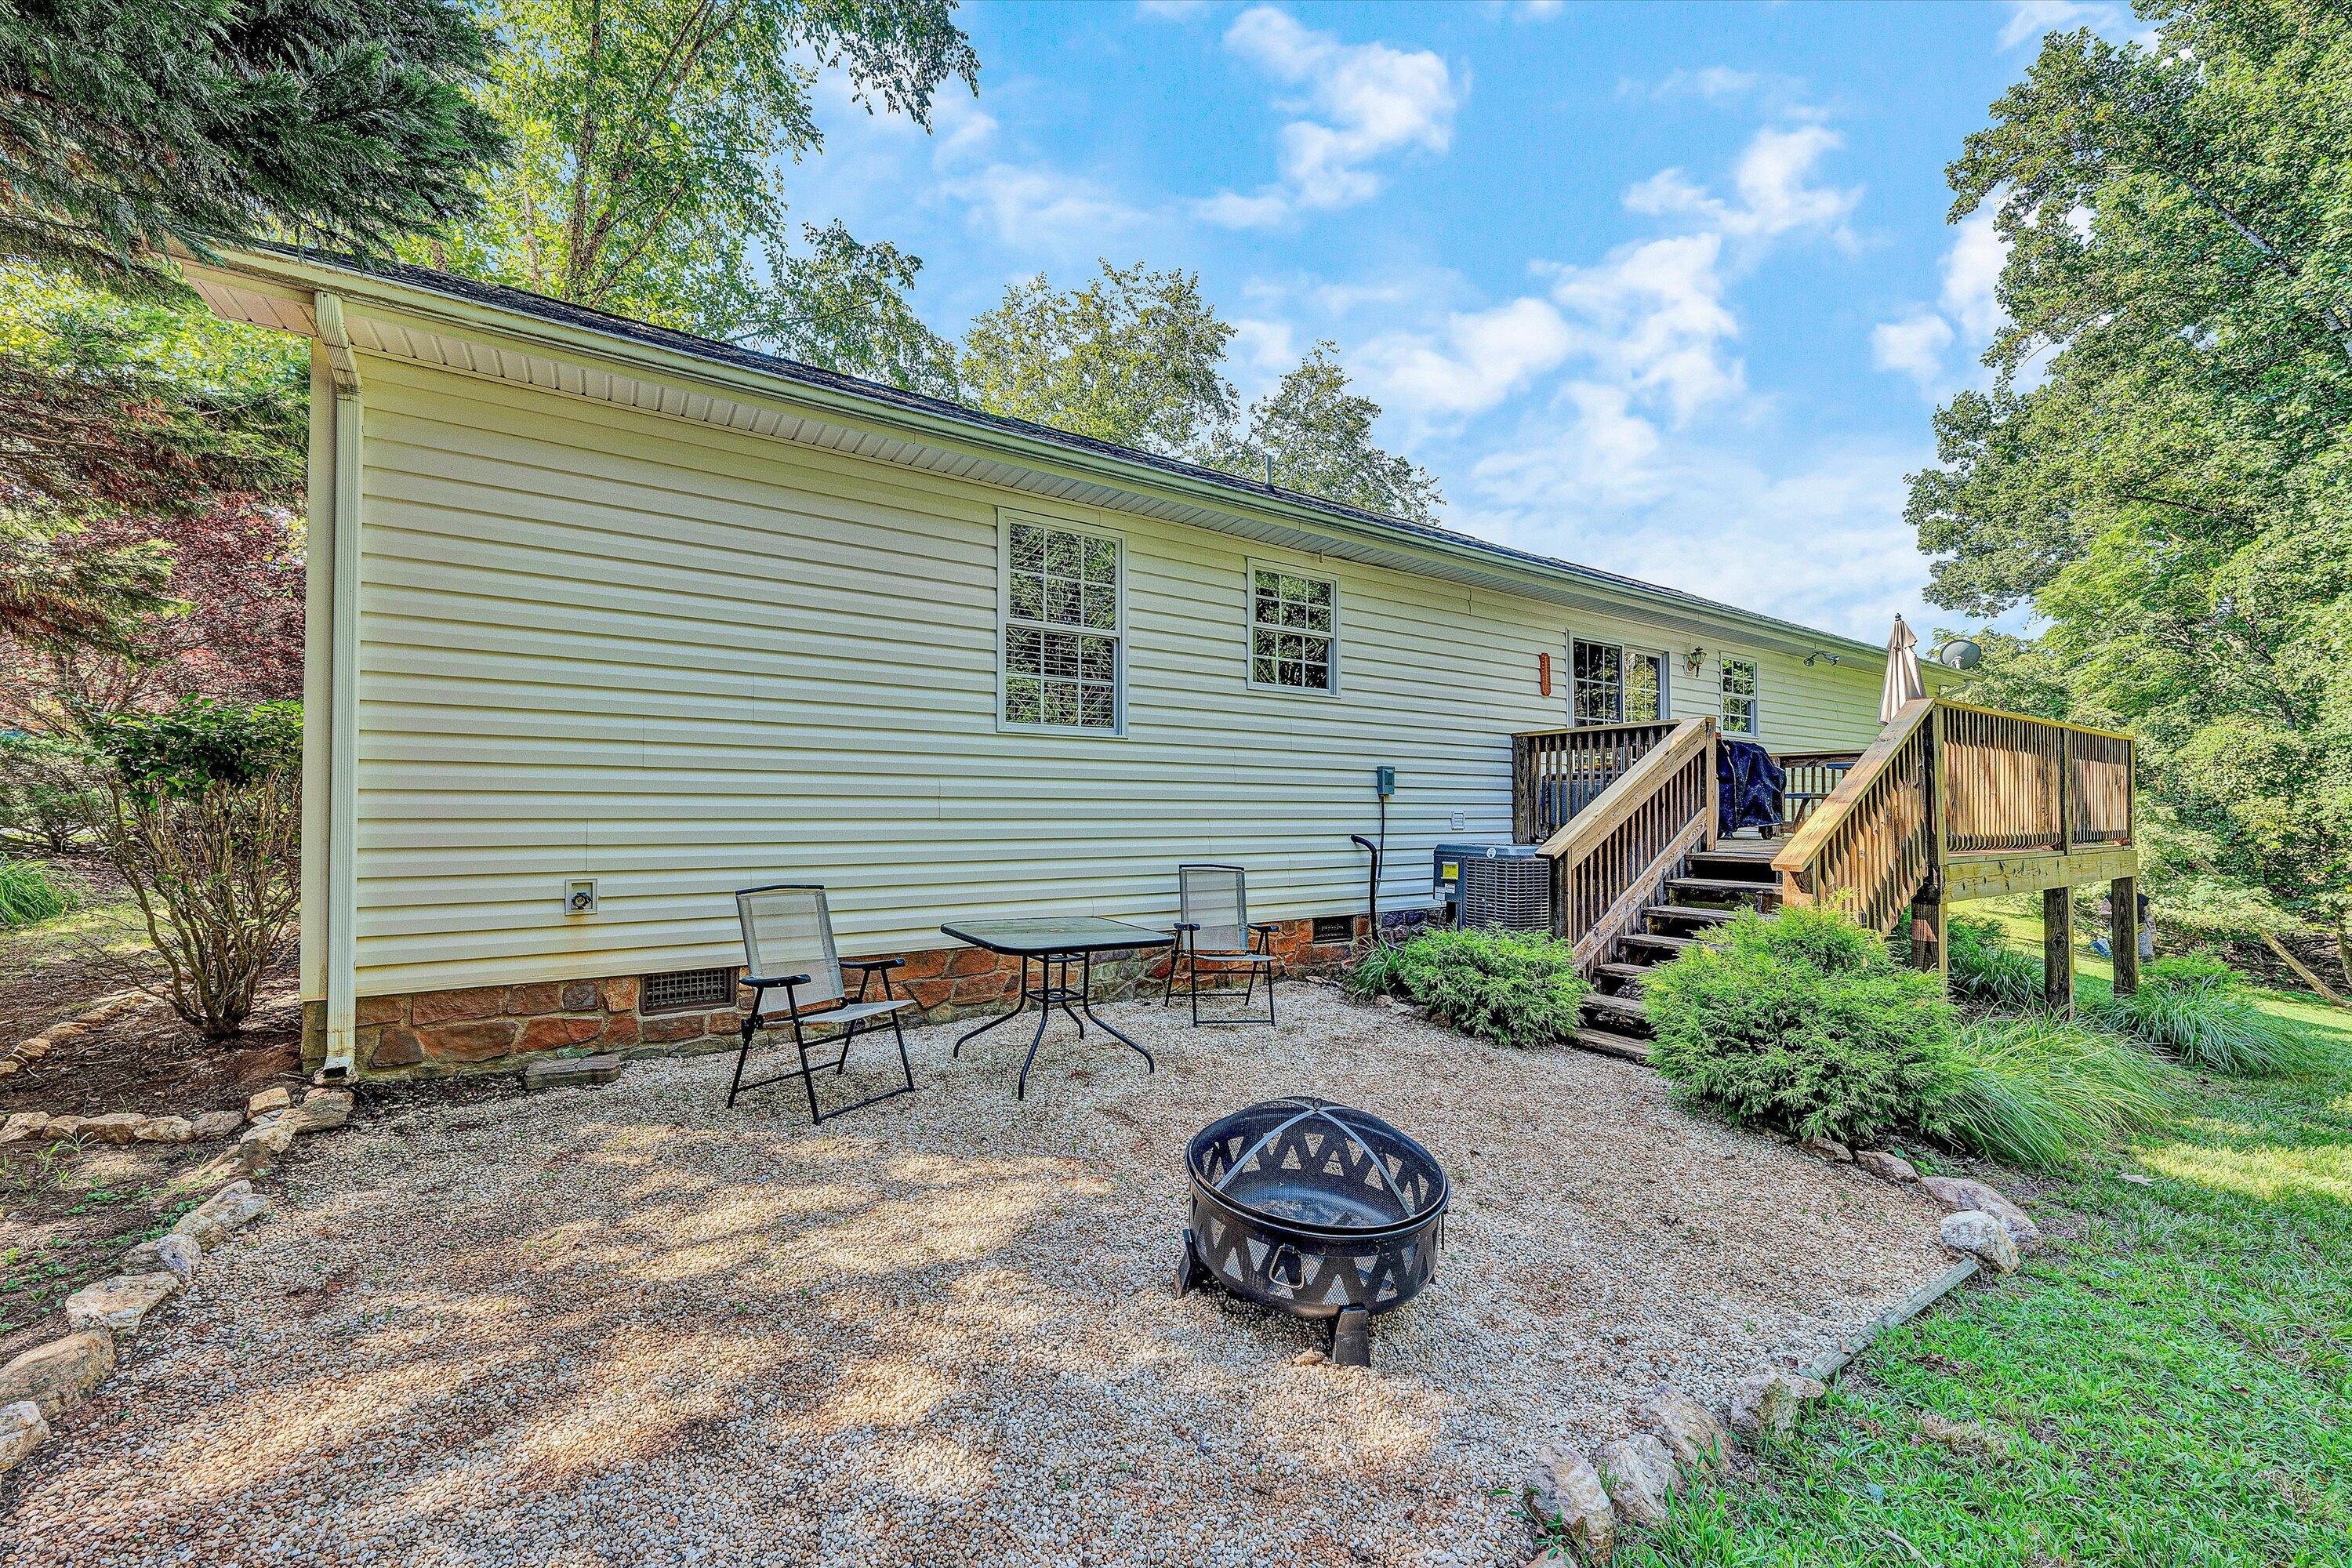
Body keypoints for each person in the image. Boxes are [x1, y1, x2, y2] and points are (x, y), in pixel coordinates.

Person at [2091, 889, 2154, 960]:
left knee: (2147, 954)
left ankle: (2147, 969)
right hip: (2120, 929)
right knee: (2125, 954)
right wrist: (2118, 914)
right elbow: (2103, 912)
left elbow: (2148, 916)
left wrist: (2153, 933)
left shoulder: (2142, 898)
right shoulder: (2111, 897)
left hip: (2140, 928)